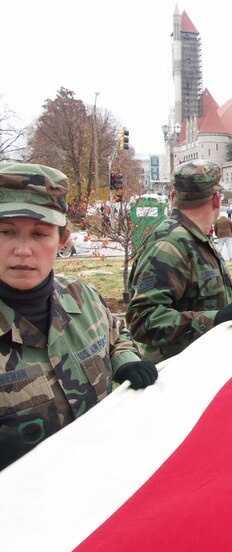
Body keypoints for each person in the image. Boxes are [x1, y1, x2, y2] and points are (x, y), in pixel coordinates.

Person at [0, 162, 157, 469]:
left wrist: (127, 361)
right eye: (6, 232)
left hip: (97, 486)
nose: (22, 249)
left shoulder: (83, 297)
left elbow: (115, 337)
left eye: (39, 234)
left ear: (61, 241)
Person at [126, 160, 232, 363]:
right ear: (217, 199)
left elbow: (208, 295)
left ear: (174, 196)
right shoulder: (170, 245)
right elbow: (142, 320)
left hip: (199, 363)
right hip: (178, 372)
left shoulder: (193, 238)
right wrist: (213, 320)